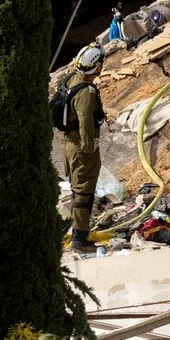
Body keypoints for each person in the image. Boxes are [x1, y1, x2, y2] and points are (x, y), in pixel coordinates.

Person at [56, 44, 107, 254]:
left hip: (68, 142)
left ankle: (79, 232)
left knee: (79, 189)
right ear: (96, 66)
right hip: (80, 146)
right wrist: (89, 148)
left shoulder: (70, 79)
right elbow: (86, 121)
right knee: (84, 192)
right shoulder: (86, 91)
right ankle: (80, 238)